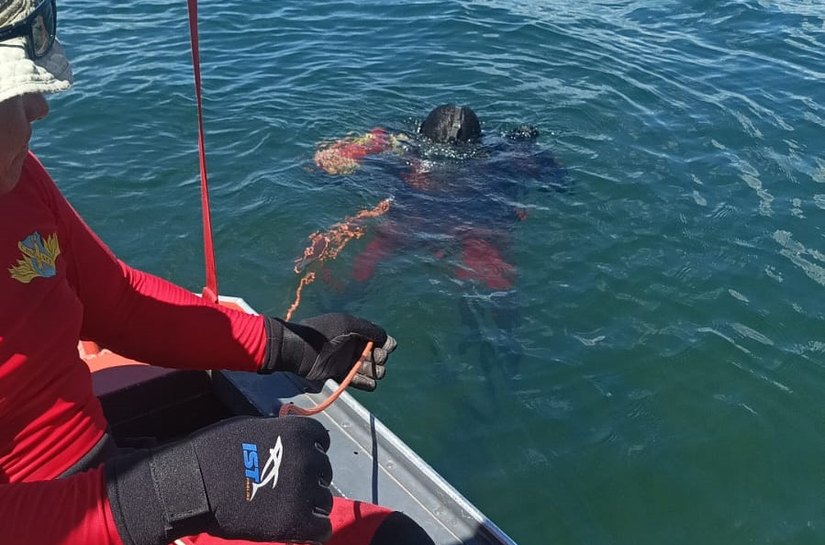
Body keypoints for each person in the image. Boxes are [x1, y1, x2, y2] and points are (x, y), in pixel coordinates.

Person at [0, 1, 435, 545]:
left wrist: (289, 345)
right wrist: (179, 492)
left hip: (103, 478)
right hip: (77, 515)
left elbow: (119, 304)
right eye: (15, 95)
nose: (39, 107)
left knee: (392, 537)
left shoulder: (21, 183)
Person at [311, 104, 565, 379]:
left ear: (421, 132)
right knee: (497, 278)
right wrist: (525, 143)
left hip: (416, 217)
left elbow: (327, 163)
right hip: (478, 218)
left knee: (369, 258)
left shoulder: (405, 151)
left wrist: (370, 141)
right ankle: (508, 356)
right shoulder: (503, 155)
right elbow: (561, 182)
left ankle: (334, 318)